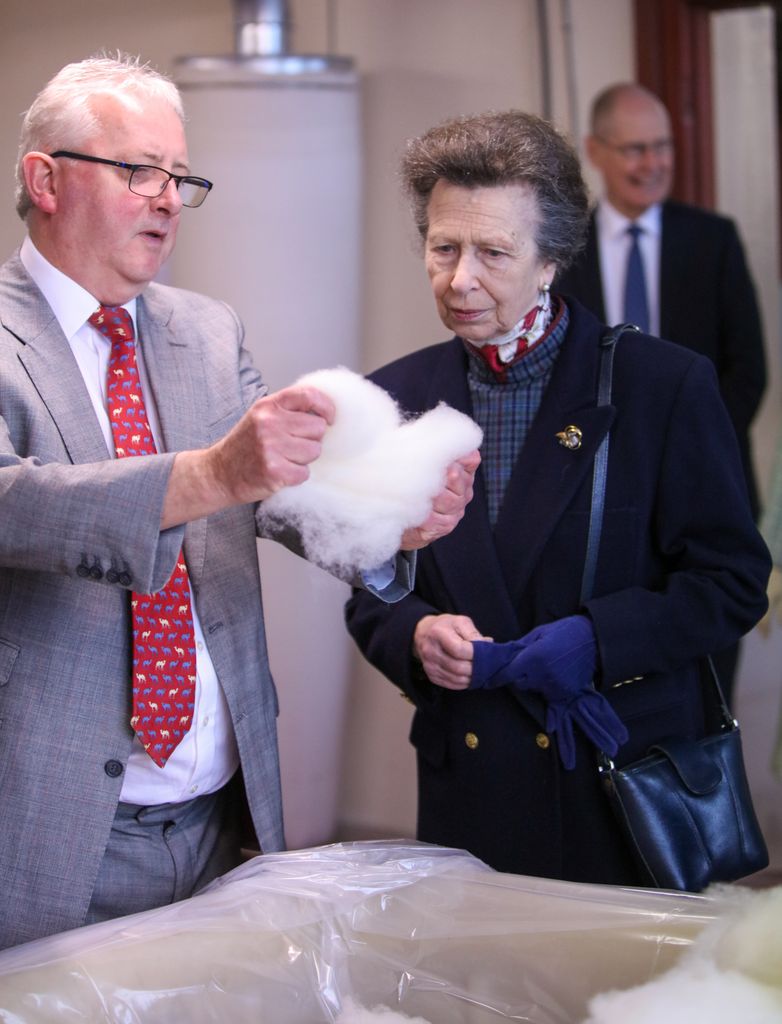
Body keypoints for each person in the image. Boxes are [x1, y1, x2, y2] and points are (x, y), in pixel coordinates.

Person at [0, 54, 478, 951]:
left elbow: (270, 496)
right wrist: (213, 474)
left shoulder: (206, 331)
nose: (169, 197)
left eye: (180, 176)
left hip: (221, 813)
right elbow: (11, 505)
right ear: (46, 178)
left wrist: (384, 522)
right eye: (140, 170)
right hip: (49, 823)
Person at [345, 110, 770, 885]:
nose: (459, 278)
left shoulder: (660, 386)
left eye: (493, 253)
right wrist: (413, 632)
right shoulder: (393, 397)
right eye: (443, 249)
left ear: (552, 262)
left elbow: (732, 583)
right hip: (472, 790)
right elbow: (371, 587)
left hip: (616, 782)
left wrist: (600, 639)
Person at [555, 82, 767, 702]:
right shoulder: (563, 253)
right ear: (596, 151)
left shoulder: (713, 240)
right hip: (597, 493)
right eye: (636, 149)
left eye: (664, 146)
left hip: (707, 484)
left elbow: (748, 370)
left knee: (706, 678)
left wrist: (690, 454)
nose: (654, 163)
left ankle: (698, 799)